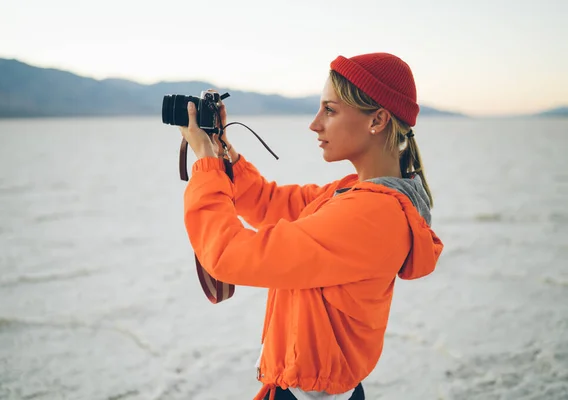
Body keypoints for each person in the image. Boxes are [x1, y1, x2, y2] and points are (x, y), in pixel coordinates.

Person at [178, 52, 444, 400]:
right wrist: (221, 153)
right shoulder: (352, 194)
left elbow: (230, 255)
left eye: (330, 110)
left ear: (377, 120)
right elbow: (270, 203)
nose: (315, 123)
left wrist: (206, 166)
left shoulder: (371, 215)